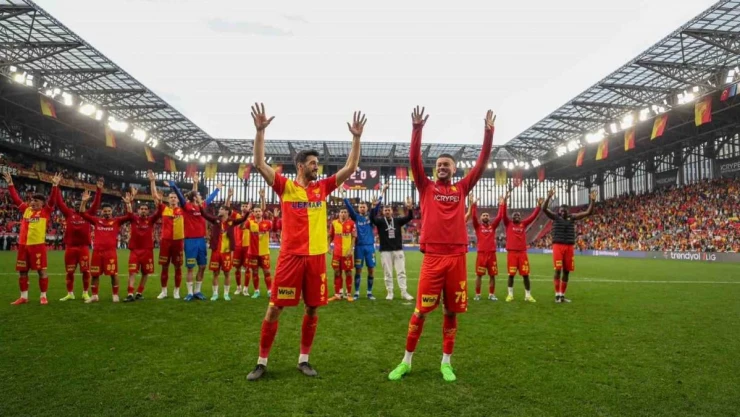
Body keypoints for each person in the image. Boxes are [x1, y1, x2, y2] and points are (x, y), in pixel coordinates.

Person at [246, 103, 365, 381]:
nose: (316, 167)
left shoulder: (322, 188)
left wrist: (356, 138)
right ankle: (261, 362)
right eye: (312, 163)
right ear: (301, 166)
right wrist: (260, 132)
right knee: (275, 308)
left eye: (317, 164)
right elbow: (259, 164)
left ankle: (304, 359)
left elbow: (351, 167)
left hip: (316, 258)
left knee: (312, 308)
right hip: (290, 257)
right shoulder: (286, 187)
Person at [388, 106, 494, 383]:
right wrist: (417, 129)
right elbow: (414, 160)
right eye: (439, 165)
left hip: (457, 257)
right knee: (420, 311)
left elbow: (481, 164)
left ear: (455, 169)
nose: (442, 167)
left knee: (450, 311)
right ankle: (406, 362)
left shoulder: (462, 188)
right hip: (433, 258)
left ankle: (446, 363)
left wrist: (488, 133)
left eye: (447, 165)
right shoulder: (426, 187)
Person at [4, 172, 59, 305]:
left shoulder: (45, 212)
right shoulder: (26, 210)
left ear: (42, 203)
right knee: (22, 271)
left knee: (41, 271)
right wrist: (10, 184)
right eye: (32, 200)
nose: (33, 202)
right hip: (23, 246)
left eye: (36, 201)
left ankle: (43, 296)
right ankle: (23, 297)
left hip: (37, 246)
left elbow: (52, 200)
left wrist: (54, 186)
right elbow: (16, 199)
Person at [167, 176, 221, 301]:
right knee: (190, 267)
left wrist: (217, 189)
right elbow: (180, 196)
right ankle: (190, 293)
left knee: (202, 266)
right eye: (199, 195)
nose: (201, 197)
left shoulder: (202, 206)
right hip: (190, 240)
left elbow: (210, 198)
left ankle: (197, 291)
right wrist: (174, 186)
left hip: (201, 240)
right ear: (195, 197)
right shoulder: (186, 207)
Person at [52, 175, 103, 302]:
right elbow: (59, 202)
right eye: (76, 204)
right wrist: (56, 186)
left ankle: (85, 293)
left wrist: (99, 190)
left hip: (83, 248)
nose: (77, 206)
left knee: (86, 271)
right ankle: (70, 293)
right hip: (70, 248)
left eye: (80, 204)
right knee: (69, 272)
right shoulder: (69, 213)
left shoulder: (88, 214)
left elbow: (96, 205)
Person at [542, 188, 596, 303]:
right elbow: (544, 209)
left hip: (569, 247)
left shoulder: (572, 217)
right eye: (561, 210)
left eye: (564, 210)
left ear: (568, 211)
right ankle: (557, 295)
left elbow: (588, 212)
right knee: (558, 270)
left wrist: (592, 200)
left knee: (566, 271)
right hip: (558, 246)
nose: (562, 212)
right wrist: (549, 197)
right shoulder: (555, 217)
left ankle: (562, 295)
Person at [79, 190, 134, 303]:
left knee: (113, 274)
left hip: (110, 253)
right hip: (97, 252)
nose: (107, 213)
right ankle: (95, 295)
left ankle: (115, 295)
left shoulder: (116, 221)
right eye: (105, 211)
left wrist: (128, 204)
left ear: (112, 211)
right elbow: (82, 214)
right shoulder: (97, 220)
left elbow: (130, 216)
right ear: (102, 212)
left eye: (109, 211)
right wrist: (83, 202)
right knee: (95, 275)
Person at [201, 190, 250, 301]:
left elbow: (243, 219)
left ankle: (226, 294)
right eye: (219, 209)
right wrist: (200, 205)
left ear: (227, 212)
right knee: (215, 273)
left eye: (221, 209)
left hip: (227, 252)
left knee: (227, 273)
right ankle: (215, 294)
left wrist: (247, 212)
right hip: (216, 251)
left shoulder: (231, 222)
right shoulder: (215, 220)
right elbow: (204, 214)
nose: (219, 210)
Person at [342, 182, 385, 300]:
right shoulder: (356, 217)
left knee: (371, 269)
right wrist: (343, 195)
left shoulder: (370, 217)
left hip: (370, 247)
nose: (362, 208)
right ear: (358, 209)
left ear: (367, 208)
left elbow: (376, 209)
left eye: (364, 207)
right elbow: (349, 207)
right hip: (359, 247)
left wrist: (382, 193)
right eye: (360, 207)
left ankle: (369, 292)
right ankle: (356, 292)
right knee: (358, 270)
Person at [123, 185, 163, 302]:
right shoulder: (133, 218)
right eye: (142, 209)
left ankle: (139, 292)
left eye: (145, 209)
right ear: (138, 210)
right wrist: (129, 202)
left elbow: (159, 212)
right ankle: (130, 293)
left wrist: (160, 201)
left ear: (148, 211)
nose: (143, 210)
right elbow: (128, 212)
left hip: (147, 251)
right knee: (132, 272)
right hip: (135, 250)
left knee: (146, 273)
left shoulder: (151, 220)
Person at [501, 191, 542, 303]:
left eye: (518, 216)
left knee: (525, 275)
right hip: (512, 253)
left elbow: (533, 217)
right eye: (515, 216)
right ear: (512, 218)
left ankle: (528, 295)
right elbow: (503, 215)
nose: (517, 217)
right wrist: (505, 202)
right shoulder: (508, 224)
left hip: (522, 253)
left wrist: (538, 206)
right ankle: (510, 295)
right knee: (511, 275)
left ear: (520, 218)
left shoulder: (523, 224)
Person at [372, 196, 414, 301]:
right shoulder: (380, 221)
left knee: (401, 272)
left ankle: (404, 292)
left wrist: (409, 208)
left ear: (392, 211)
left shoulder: (398, 220)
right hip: (385, 251)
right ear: (383, 212)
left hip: (398, 250)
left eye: (388, 210)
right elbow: (372, 218)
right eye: (385, 210)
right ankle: (390, 292)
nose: (387, 211)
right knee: (388, 273)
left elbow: (409, 217)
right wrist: (373, 207)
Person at [465, 195, 504, 301]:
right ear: (481, 218)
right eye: (484, 215)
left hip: (492, 254)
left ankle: (491, 294)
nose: (486, 216)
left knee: (492, 275)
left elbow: (499, 217)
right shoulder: (478, 227)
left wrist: (501, 204)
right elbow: (473, 217)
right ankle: (478, 294)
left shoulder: (493, 227)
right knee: (479, 275)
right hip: (481, 254)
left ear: (489, 218)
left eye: (487, 215)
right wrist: (474, 204)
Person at [247, 189, 271, 299]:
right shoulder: (250, 222)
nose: (257, 213)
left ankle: (269, 290)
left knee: (267, 272)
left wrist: (262, 197)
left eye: (259, 211)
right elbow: (241, 226)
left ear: (262, 212)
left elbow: (263, 208)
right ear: (253, 213)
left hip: (264, 252)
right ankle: (256, 291)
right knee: (255, 272)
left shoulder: (267, 223)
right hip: (253, 252)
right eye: (255, 211)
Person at [328, 208, 356, 301]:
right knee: (337, 272)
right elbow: (330, 236)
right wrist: (328, 246)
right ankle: (338, 294)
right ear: (339, 213)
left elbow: (354, 237)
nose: (343, 214)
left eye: (345, 212)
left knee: (348, 272)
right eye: (341, 212)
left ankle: (348, 294)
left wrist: (351, 249)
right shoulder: (334, 223)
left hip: (347, 253)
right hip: (336, 253)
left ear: (348, 214)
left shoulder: (352, 223)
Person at [232, 201, 253, 297]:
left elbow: (261, 210)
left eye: (246, 206)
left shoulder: (252, 217)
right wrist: (229, 197)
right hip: (237, 246)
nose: (244, 207)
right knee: (237, 268)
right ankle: (238, 287)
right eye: (243, 206)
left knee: (248, 268)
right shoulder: (236, 216)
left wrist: (262, 198)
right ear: (240, 207)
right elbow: (226, 208)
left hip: (247, 246)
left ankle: (245, 289)